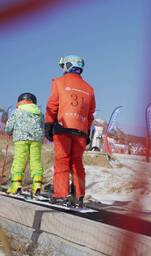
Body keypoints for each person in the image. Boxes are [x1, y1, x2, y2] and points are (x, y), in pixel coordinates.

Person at [45, 55, 96, 207]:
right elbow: (90, 113)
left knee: (62, 161)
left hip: (63, 126)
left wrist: (48, 124)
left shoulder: (59, 82)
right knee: (77, 163)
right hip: (81, 130)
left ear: (67, 66)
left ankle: (61, 194)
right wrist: (87, 130)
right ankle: (78, 196)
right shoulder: (89, 88)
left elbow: (53, 105)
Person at [4, 93, 44, 195]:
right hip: (36, 140)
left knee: (19, 161)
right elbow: (42, 127)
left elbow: (9, 127)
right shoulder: (39, 113)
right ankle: (37, 184)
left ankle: (16, 184)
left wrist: (8, 131)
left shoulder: (17, 111)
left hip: (21, 139)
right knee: (35, 161)